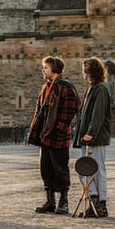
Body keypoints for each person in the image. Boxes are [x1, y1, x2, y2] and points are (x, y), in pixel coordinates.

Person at [27, 56, 79, 215]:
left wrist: (58, 129)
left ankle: (64, 202)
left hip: (58, 137)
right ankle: (50, 201)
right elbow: (39, 110)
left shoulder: (66, 87)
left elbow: (69, 112)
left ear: (54, 69)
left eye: (46, 68)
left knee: (60, 169)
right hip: (45, 136)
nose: (43, 70)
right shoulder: (46, 87)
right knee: (46, 168)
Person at [72, 56, 112, 218]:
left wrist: (91, 132)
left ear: (92, 71)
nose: (84, 72)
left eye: (86, 69)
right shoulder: (91, 88)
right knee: (84, 170)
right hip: (85, 136)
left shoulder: (101, 89)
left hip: (94, 137)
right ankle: (94, 201)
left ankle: (100, 204)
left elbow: (98, 114)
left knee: (98, 170)